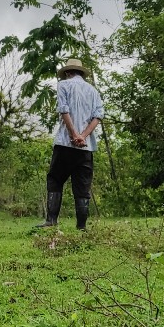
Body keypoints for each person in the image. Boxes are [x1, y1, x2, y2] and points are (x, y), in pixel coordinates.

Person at [37, 58, 104, 230]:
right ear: (81, 73)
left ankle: (51, 221)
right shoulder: (93, 91)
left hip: (65, 143)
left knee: (55, 179)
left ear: (68, 73)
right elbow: (98, 117)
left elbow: (64, 109)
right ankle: (81, 227)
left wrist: (74, 134)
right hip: (85, 147)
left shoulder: (63, 85)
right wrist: (83, 136)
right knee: (82, 186)